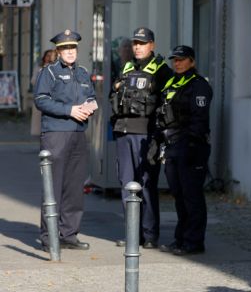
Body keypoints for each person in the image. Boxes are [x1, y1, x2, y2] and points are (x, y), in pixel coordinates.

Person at [33, 30, 97, 251]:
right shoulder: (49, 72)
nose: (70, 52)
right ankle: (49, 237)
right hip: (56, 134)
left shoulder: (83, 72)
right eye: (65, 48)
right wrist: (69, 110)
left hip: (78, 134)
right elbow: (41, 100)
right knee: (53, 187)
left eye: (73, 48)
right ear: (58, 51)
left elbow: (91, 96)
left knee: (74, 188)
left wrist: (90, 106)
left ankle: (69, 235)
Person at [109, 27, 173, 249]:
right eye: (135, 43)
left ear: (152, 45)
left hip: (146, 134)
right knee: (126, 184)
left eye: (142, 43)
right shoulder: (127, 67)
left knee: (146, 184)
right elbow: (113, 94)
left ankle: (150, 234)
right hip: (123, 132)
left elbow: (167, 103)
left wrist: (160, 135)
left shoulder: (162, 70)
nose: (137, 47)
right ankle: (132, 234)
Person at [157, 45, 213, 256]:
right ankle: (181, 238)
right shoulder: (172, 82)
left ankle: (194, 242)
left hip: (191, 145)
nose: (177, 63)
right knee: (179, 196)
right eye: (175, 60)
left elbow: (199, 119)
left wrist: (191, 145)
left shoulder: (199, 85)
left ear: (192, 61)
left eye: (181, 59)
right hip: (172, 145)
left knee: (192, 196)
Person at [30, 49, 57, 136]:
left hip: (52, 97)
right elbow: (33, 80)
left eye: (51, 56)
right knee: (39, 117)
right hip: (40, 95)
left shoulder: (56, 67)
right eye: (48, 55)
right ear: (44, 57)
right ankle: (39, 133)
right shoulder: (39, 67)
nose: (49, 57)